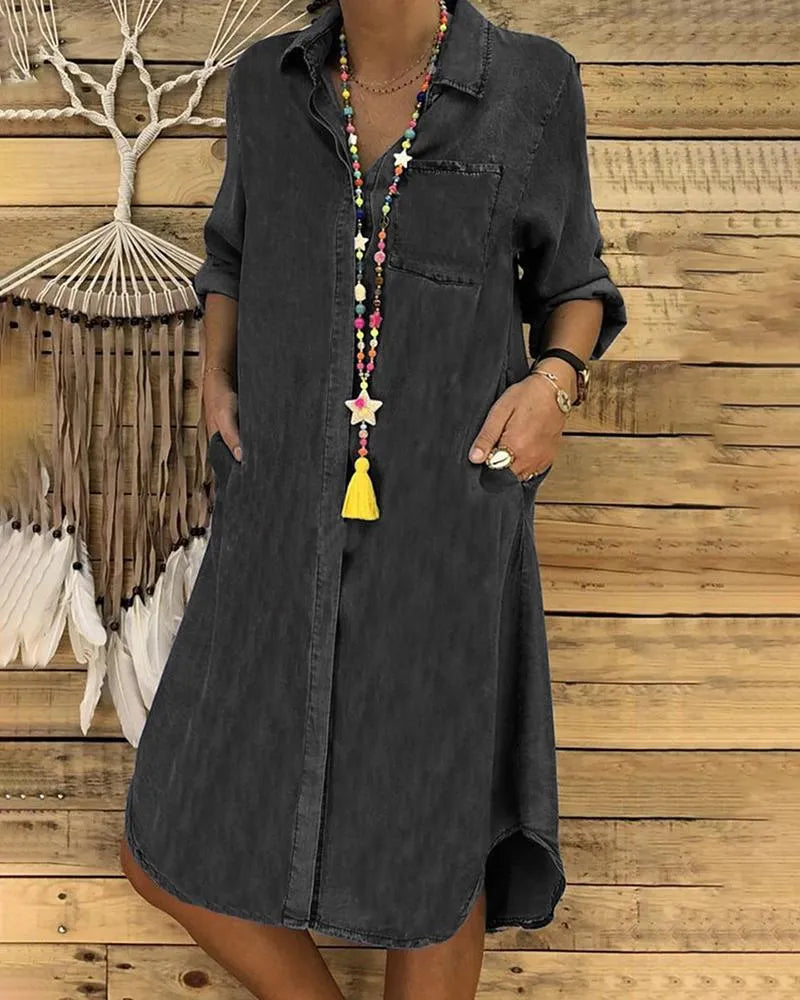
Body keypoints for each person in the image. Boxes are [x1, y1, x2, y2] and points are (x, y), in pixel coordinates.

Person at [120, 1, 627, 998]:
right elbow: (230, 254)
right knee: (167, 842)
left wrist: (553, 383)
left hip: (443, 532)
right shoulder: (267, 83)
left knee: (430, 850)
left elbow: (574, 282)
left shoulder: (531, 83)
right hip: (275, 522)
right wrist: (214, 376)